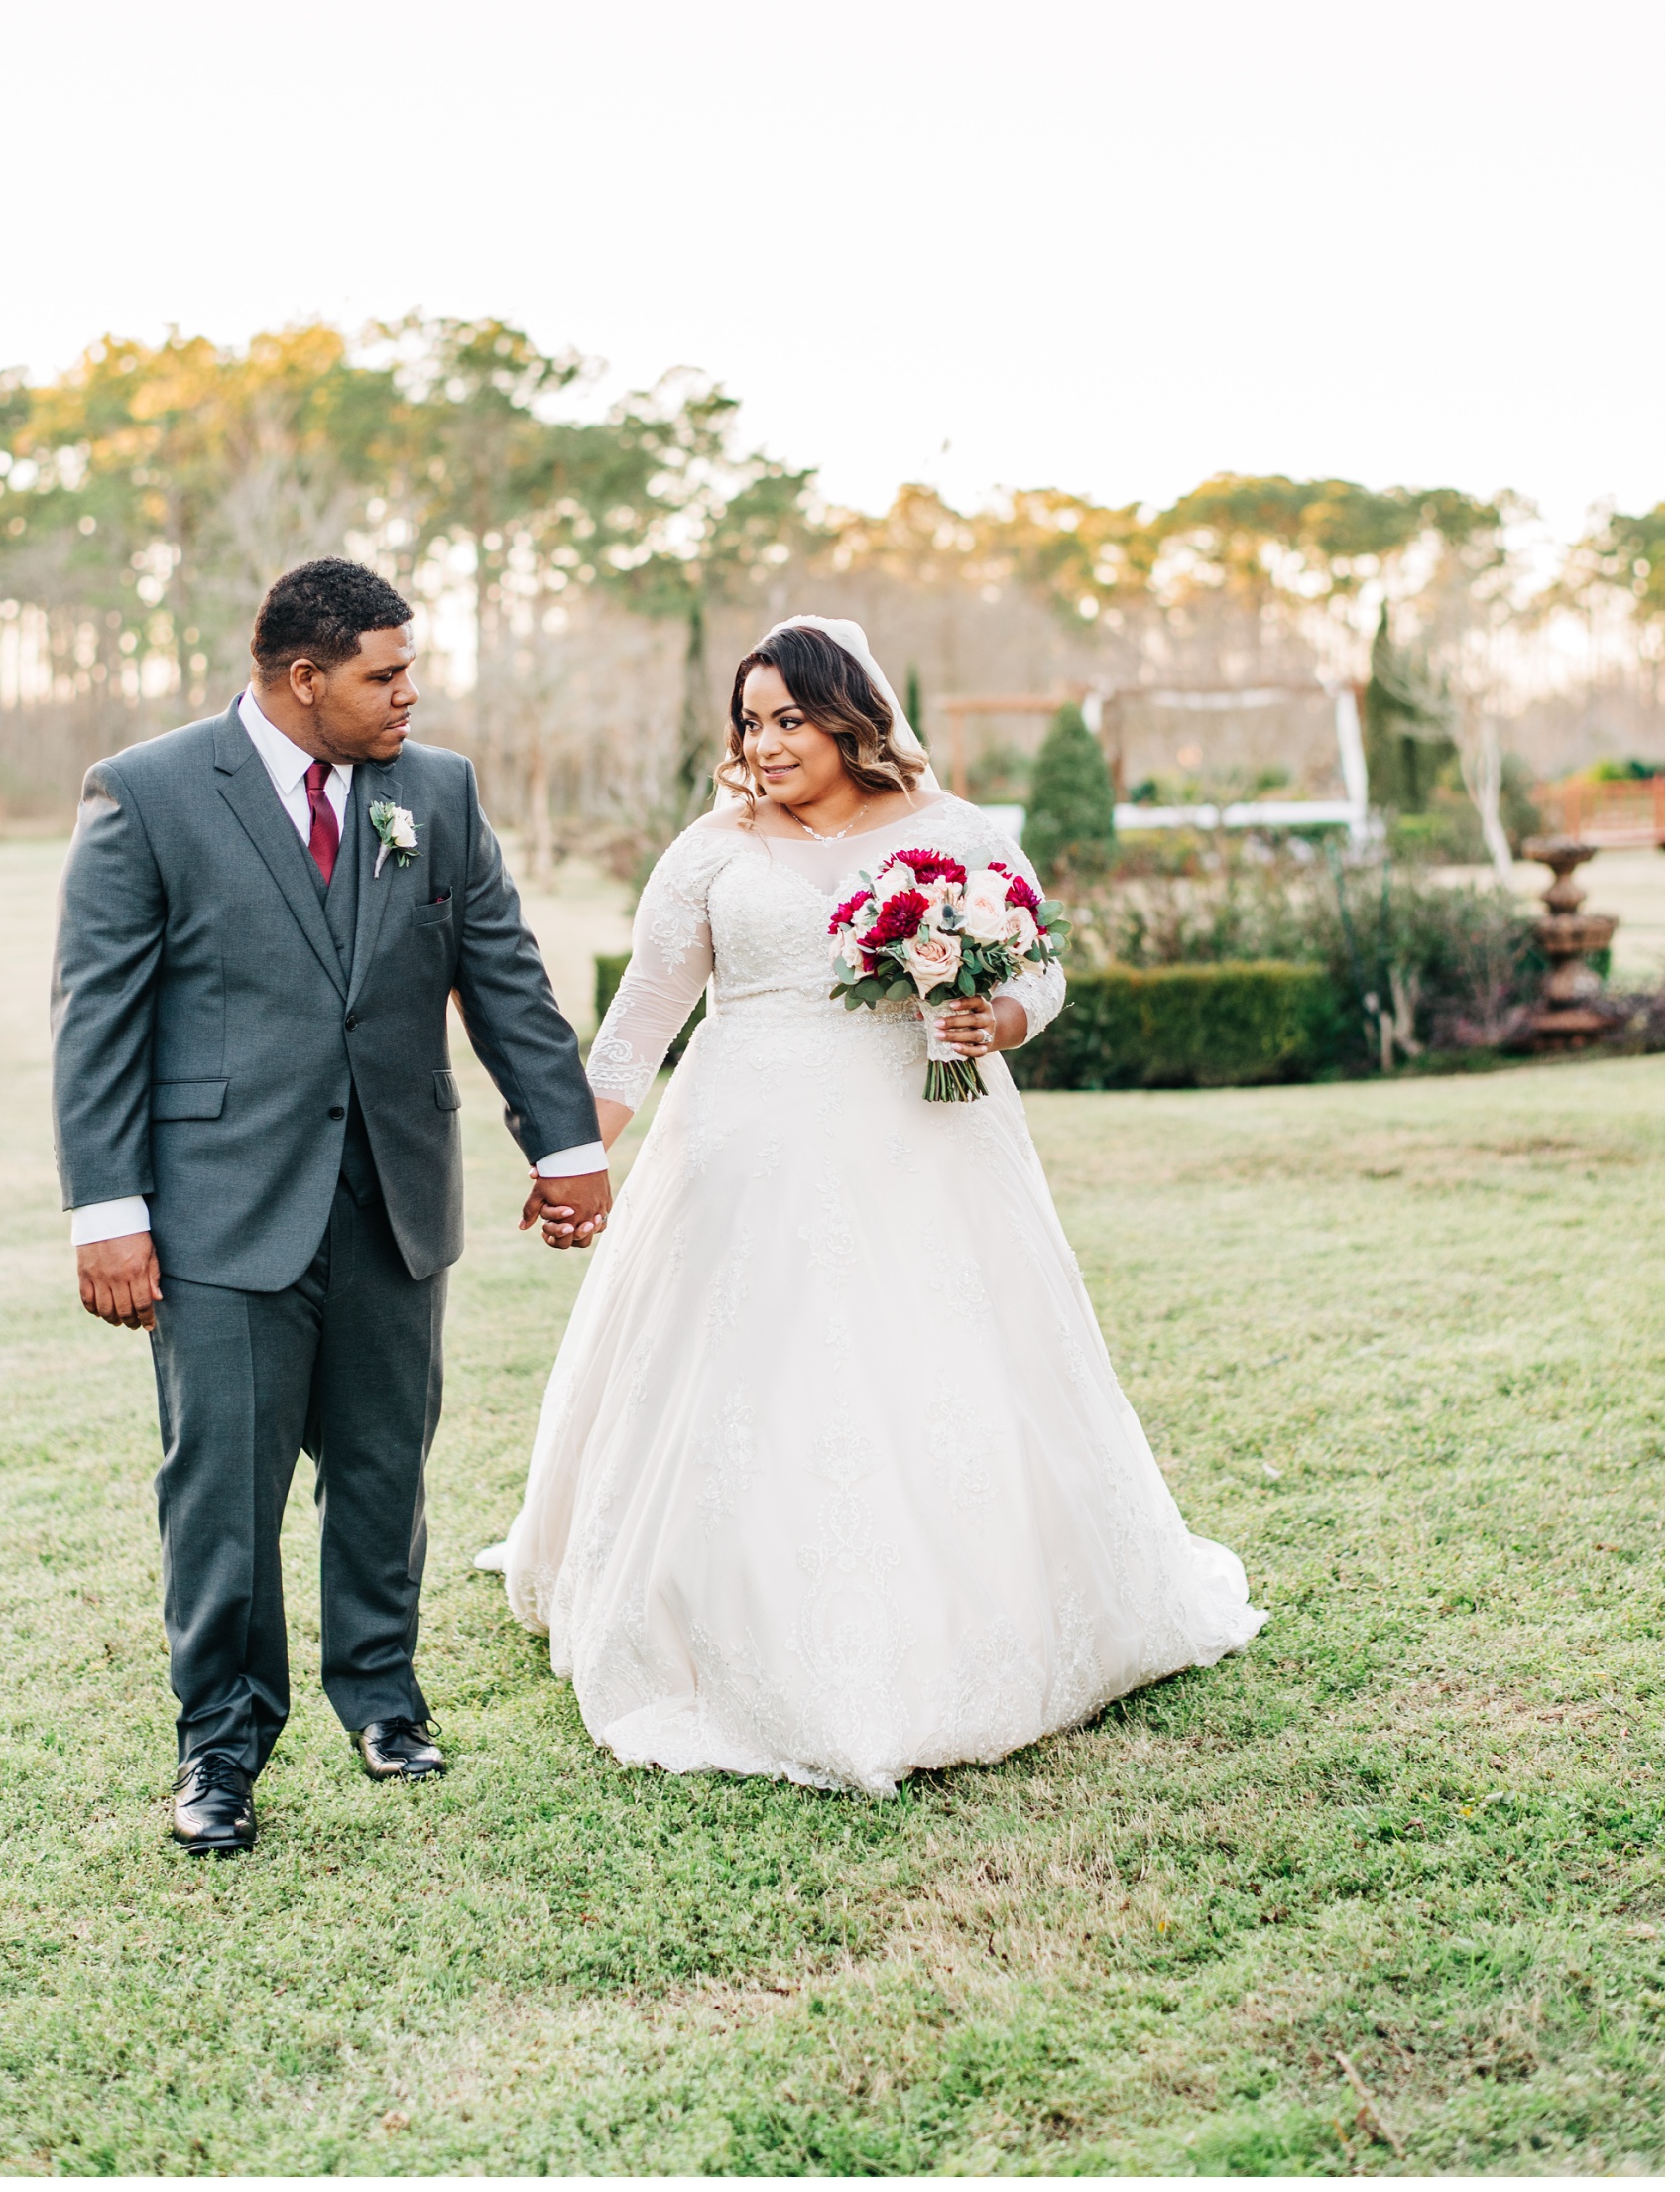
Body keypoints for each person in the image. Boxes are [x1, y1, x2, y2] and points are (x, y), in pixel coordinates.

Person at [475, 615, 1265, 1795]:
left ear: (851, 718)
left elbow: (1036, 972)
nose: (764, 741)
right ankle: (718, 1616)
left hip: (924, 1143)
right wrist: (565, 1154)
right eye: (748, 721)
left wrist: (986, 1016)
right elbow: (638, 1025)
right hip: (738, 1152)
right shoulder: (710, 848)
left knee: (934, 1363)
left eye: (788, 718)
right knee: (751, 1374)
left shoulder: (954, 836)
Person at [48, 559, 608, 1857]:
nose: (411, 695)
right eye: (385, 674)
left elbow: (505, 977)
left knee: (381, 1467)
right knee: (224, 1491)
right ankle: (221, 1749)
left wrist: (565, 1139)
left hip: (396, 1199)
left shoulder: (437, 792)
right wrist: (106, 1214)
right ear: (306, 679)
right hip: (220, 1210)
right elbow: (97, 1025)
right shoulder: (149, 792)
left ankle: (384, 1696)